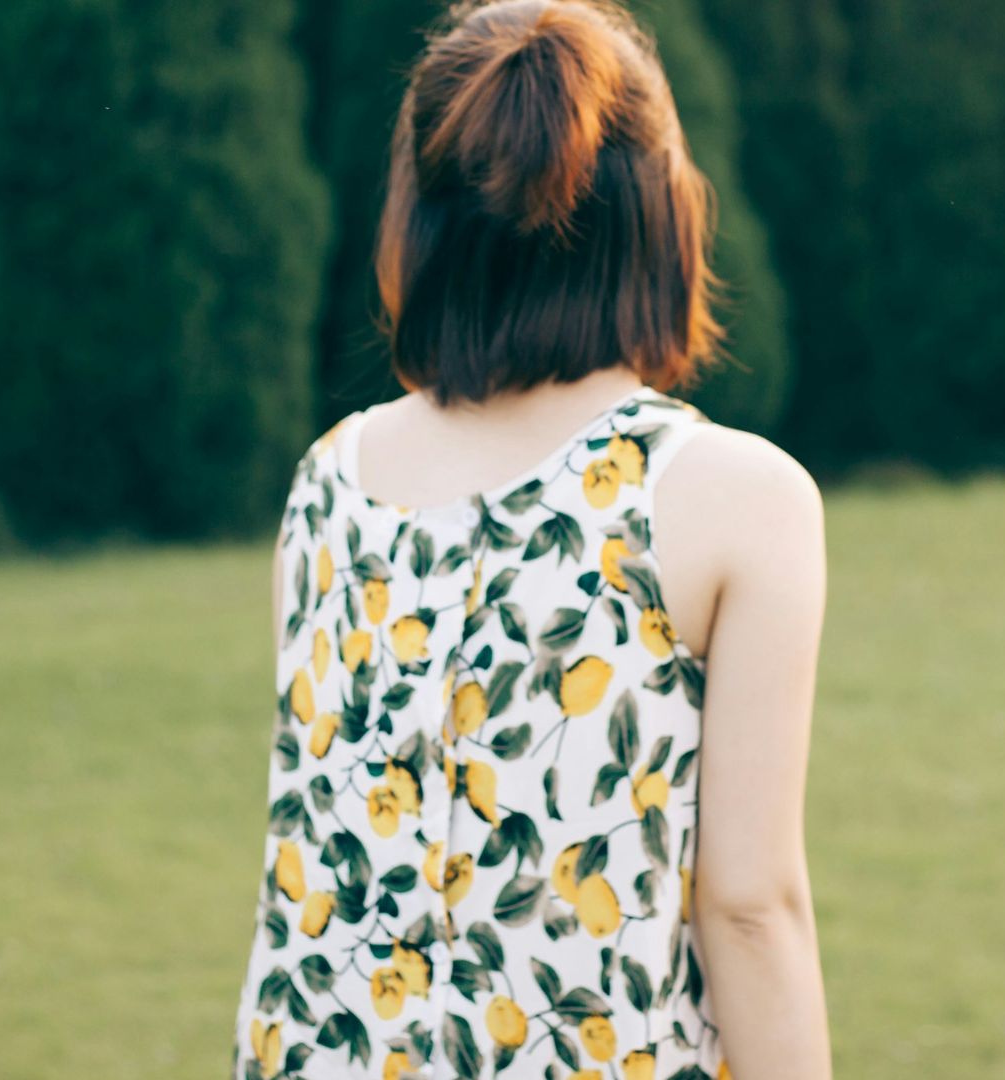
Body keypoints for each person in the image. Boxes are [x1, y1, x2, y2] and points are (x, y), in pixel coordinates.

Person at [230, 1, 830, 1076]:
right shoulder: (734, 495)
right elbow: (748, 904)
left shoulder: (332, 477)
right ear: (662, 212)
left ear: (419, 216)